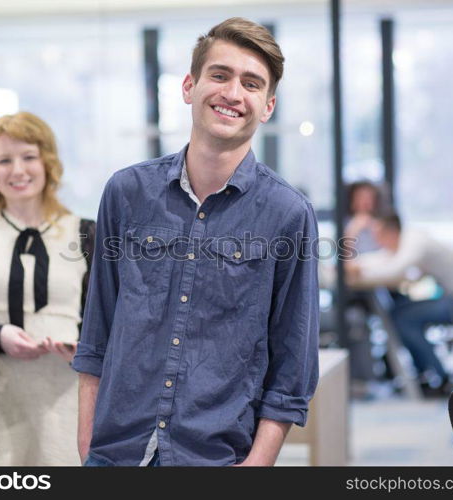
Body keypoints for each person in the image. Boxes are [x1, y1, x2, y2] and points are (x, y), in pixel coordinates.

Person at [73, 17, 320, 467]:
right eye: (220, 75)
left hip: (217, 458)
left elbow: (293, 361)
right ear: (190, 85)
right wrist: (88, 440)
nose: (232, 93)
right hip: (115, 454)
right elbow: (98, 329)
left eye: (251, 83)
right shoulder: (126, 193)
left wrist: (258, 465)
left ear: (267, 106)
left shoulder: (288, 214)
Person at [0, 111, 96, 465]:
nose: (18, 170)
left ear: (47, 162)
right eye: (4, 160)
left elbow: (100, 319)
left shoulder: (85, 231)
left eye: (29, 157)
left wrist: (83, 346)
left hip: (67, 393)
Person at [345, 213, 453, 396]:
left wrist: (356, 269)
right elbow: (386, 259)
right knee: (400, 312)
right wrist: (355, 265)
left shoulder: (414, 242)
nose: (378, 243)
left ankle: (436, 378)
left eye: (379, 237)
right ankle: (426, 374)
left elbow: (394, 270)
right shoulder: (409, 239)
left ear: (390, 232)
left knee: (403, 317)